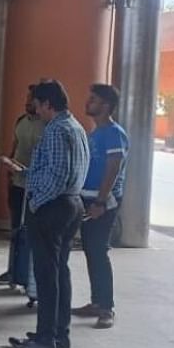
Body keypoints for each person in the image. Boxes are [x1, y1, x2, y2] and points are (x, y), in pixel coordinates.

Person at [8, 80, 88, 348]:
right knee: (59, 271)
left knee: (46, 275)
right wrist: (29, 173)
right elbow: (62, 170)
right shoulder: (75, 127)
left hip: (53, 207)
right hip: (71, 204)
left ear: (48, 104)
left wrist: (35, 202)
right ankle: (58, 334)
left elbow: (56, 177)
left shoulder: (56, 130)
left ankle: (44, 339)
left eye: (36, 103)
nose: (34, 108)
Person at [71, 83, 128, 330]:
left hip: (101, 201)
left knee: (98, 251)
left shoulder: (114, 133)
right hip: (87, 197)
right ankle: (96, 302)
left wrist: (101, 201)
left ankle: (106, 308)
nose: (88, 103)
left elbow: (113, 167)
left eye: (93, 100)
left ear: (105, 105)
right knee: (92, 252)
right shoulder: (95, 133)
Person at [0, 85, 44, 294]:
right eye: (27, 98)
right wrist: (8, 175)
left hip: (37, 186)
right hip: (18, 183)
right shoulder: (21, 121)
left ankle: (28, 275)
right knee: (15, 229)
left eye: (31, 99)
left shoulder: (48, 125)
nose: (27, 102)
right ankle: (12, 269)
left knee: (33, 231)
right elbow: (14, 147)